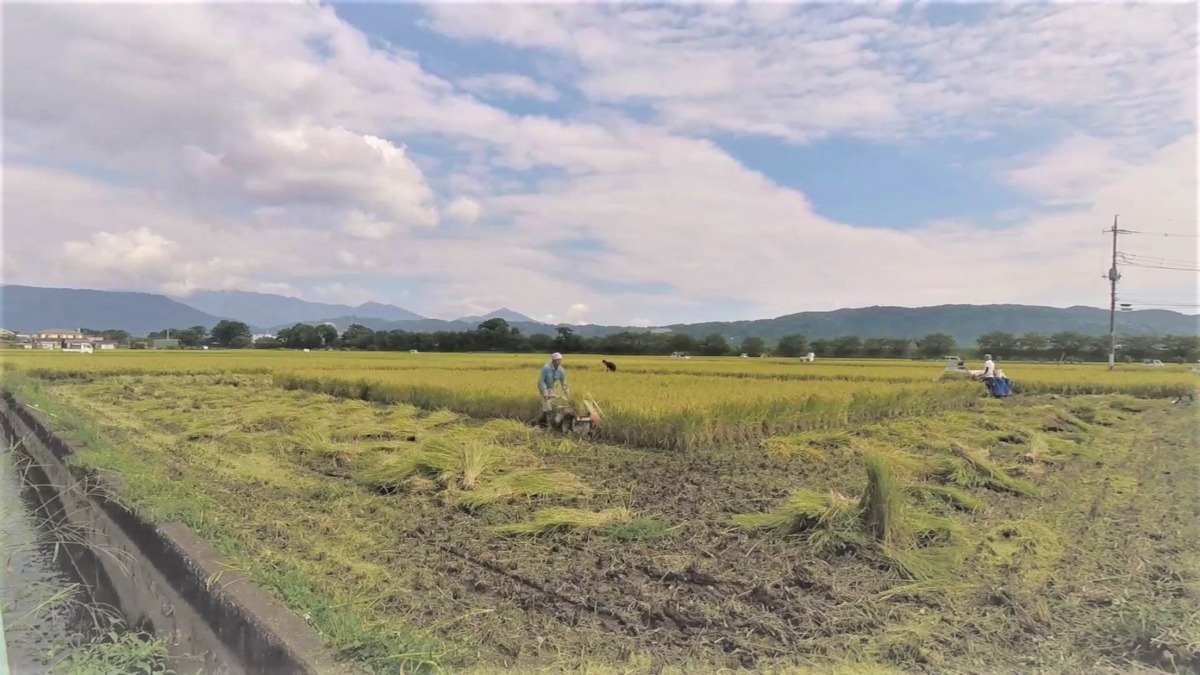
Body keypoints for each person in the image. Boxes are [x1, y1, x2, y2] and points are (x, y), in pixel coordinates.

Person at [537, 352, 570, 426]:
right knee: (547, 404)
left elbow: (564, 383)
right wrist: (545, 392)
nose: (558, 362)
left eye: (560, 360)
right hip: (543, 386)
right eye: (556, 360)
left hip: (550, 387)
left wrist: (568, 394)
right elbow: (541, 380)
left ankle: (544, 419)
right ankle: (547, 424)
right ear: (553, 361)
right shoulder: (546, 368)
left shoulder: (561, 370)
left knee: (552, 403)